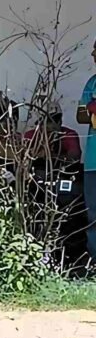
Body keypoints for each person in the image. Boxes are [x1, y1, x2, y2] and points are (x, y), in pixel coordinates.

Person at [78, 41, 96, 261]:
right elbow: (80, 115)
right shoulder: (92, 83)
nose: (93, 54)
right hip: (93, 161)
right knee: (93, 214)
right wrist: (92, 111)